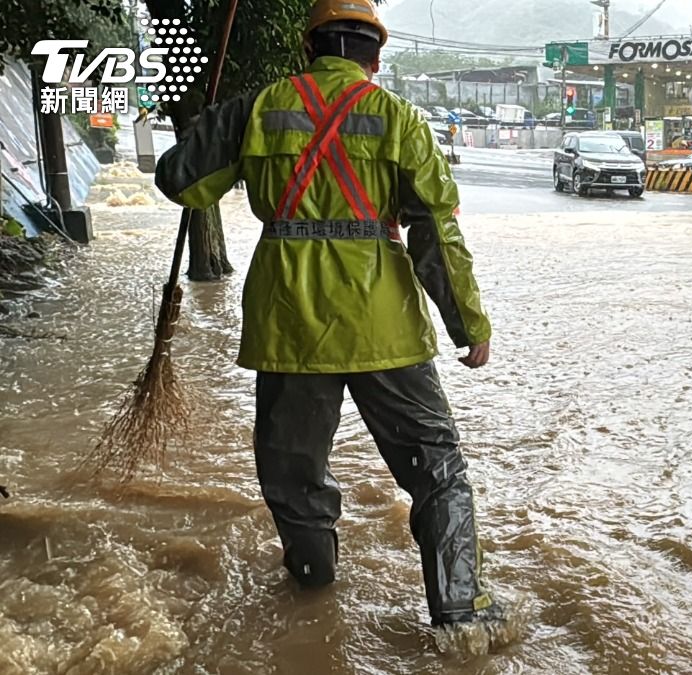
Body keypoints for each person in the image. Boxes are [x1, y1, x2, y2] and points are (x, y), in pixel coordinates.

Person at [154, 0, 506, 631]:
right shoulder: (398, 117)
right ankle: (461, 613)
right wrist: (469, 326)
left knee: (294, 478)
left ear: (308, 50)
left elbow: (180, 181)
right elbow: (436, 235)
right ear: (376, 57)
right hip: (385, 329)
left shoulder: (257, 109)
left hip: (288, 325)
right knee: (438, 472)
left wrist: (208, 124)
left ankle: (313, 594)